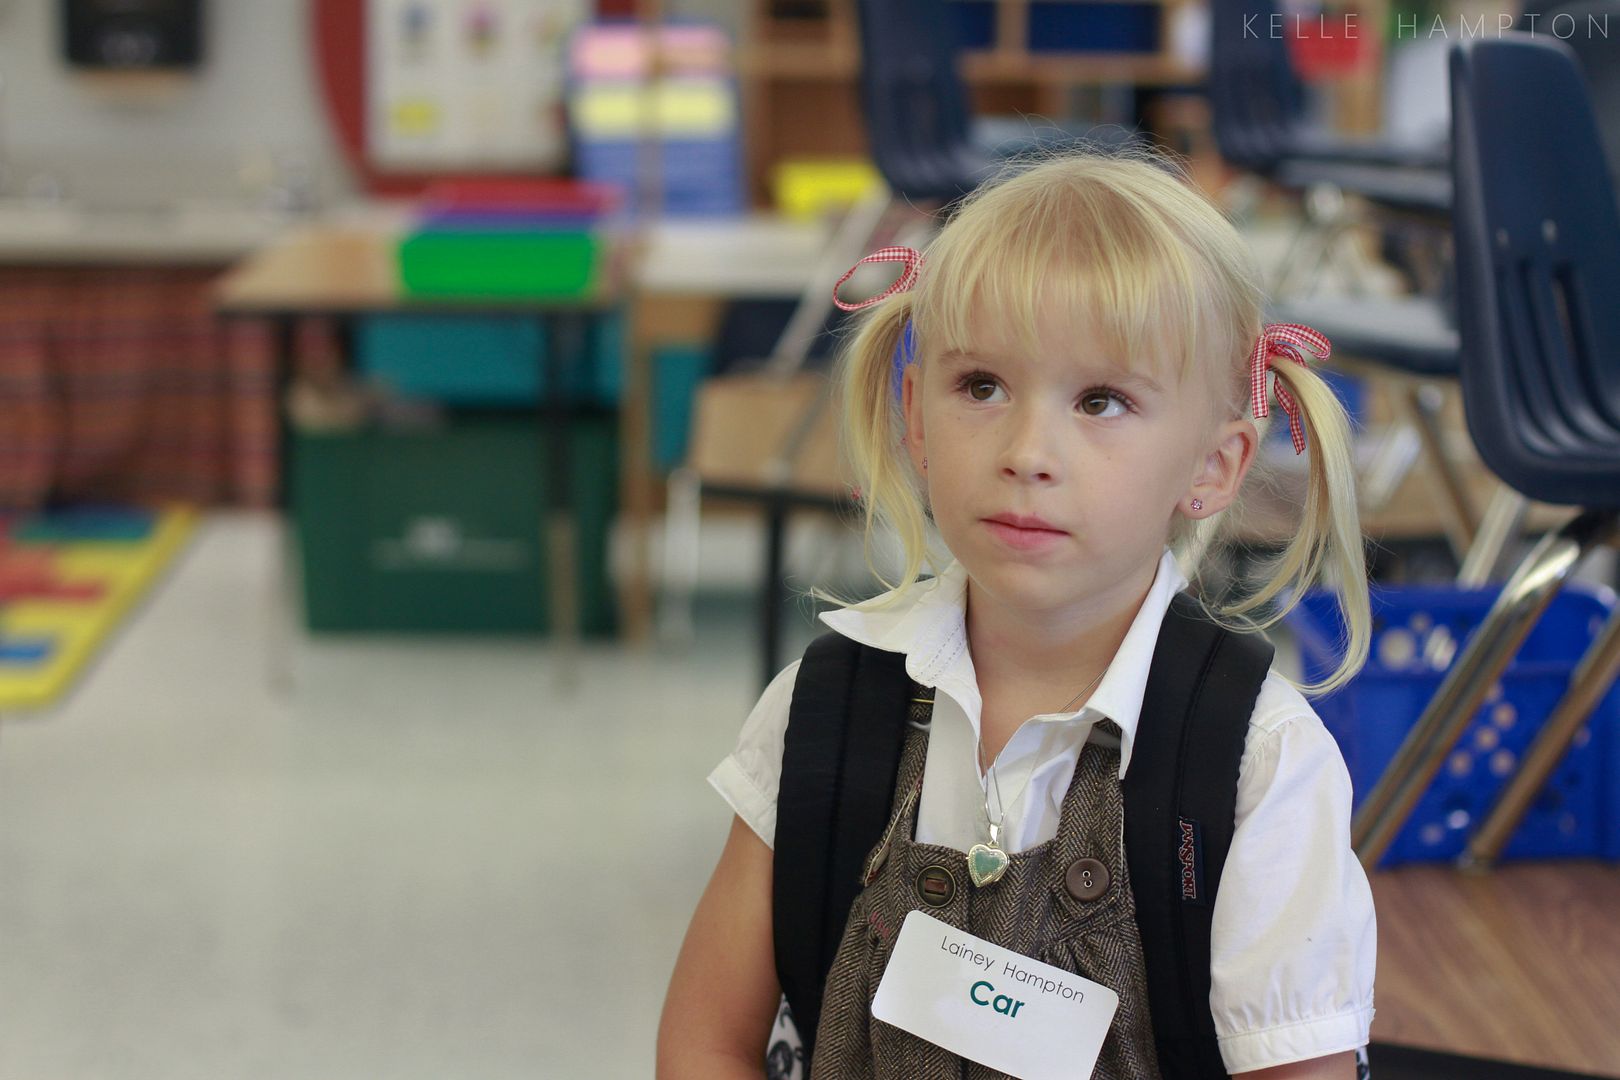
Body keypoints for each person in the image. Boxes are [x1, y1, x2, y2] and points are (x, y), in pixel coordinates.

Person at [657, 147, 1376, 1079]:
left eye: (1102, 401)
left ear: (1215, 466)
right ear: (914, 416)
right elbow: (705, 1041)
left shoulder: (1259, 765)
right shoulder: (825, 710)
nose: (1028, 450)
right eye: (982, 387)